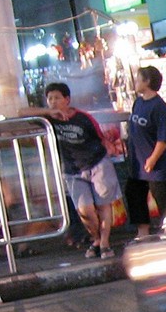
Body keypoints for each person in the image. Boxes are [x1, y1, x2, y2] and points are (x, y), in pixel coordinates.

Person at [45, 82, 120, 258]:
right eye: (49, 99)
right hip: (72, 170)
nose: (53, 102)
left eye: (57, 98)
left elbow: (101, 139)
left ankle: (104, 242)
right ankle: (96, 238)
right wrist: (48, 112)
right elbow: (21, 113)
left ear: (67, 99)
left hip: (97, 164)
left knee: (103, 205)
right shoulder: (48, 120)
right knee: (84, 210)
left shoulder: (83, 118)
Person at [125, 65, 166, 236]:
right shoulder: (138, 102)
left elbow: (164, 139)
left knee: (161, 197)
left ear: (147, 82)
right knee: (136, 196)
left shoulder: (160, 107)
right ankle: (143, 233)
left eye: (139, 79)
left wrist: (153, 159)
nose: (136, 82)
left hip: (156, 165)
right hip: (137, 161)